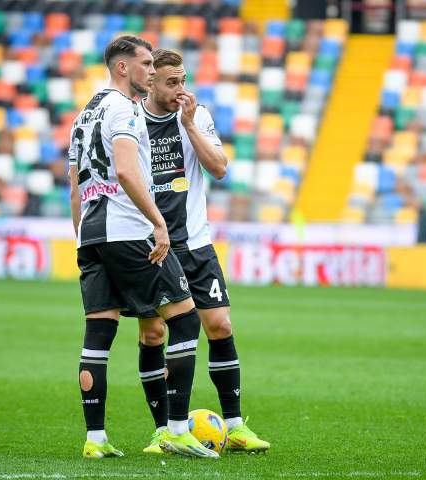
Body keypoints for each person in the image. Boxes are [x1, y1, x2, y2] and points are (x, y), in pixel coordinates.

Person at [68, 36, 217, 459]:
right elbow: (129, 171)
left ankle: (95, 439)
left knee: (99, 332)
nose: (152, 72)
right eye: (146, 64)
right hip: (129, 231)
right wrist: (157, 222)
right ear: (122, 68)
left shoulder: (84, 115)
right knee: (186, 321)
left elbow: (74, 186)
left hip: (92, 235)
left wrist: (82, 237)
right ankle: (174, 428)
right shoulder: (123, 109)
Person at [137, 49, 270, 453]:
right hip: (150, 246)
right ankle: (165, 430)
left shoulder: (198, 115)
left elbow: (219, 167)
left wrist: (190, 124)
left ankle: (235, 426)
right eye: (171, 82)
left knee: (220, 327)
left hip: (195, 243)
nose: (181, 89)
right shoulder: (129, 120)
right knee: (153, 332)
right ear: (150, 82)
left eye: (183, 80)